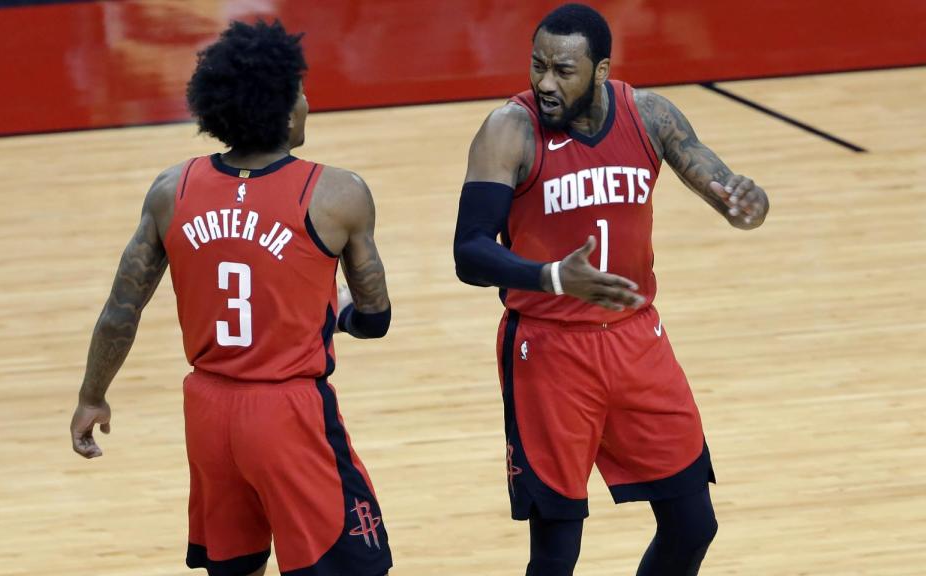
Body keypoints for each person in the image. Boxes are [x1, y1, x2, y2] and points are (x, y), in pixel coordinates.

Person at [452, 4, 768, 575]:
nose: (546, 83)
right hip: (549, 351)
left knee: (694, 524)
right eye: (537, 65)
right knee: (556, 553)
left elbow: (726, 189)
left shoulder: (649, 116)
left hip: (636, 341)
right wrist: (551, 277)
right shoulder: (509, 130)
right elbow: (469, 252)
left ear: (600, 71)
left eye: (563, 71)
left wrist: (747, 206)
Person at [70, 20, 393, 576]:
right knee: (352, 567)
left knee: (236, 566)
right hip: (287, 413)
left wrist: (92, 395)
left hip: (208, 411)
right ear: (282, 107)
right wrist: (335, 311)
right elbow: (375, 318)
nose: (307, 101)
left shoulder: (173, 189)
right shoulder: (339, 194)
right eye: (300, 89)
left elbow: (121, 309)